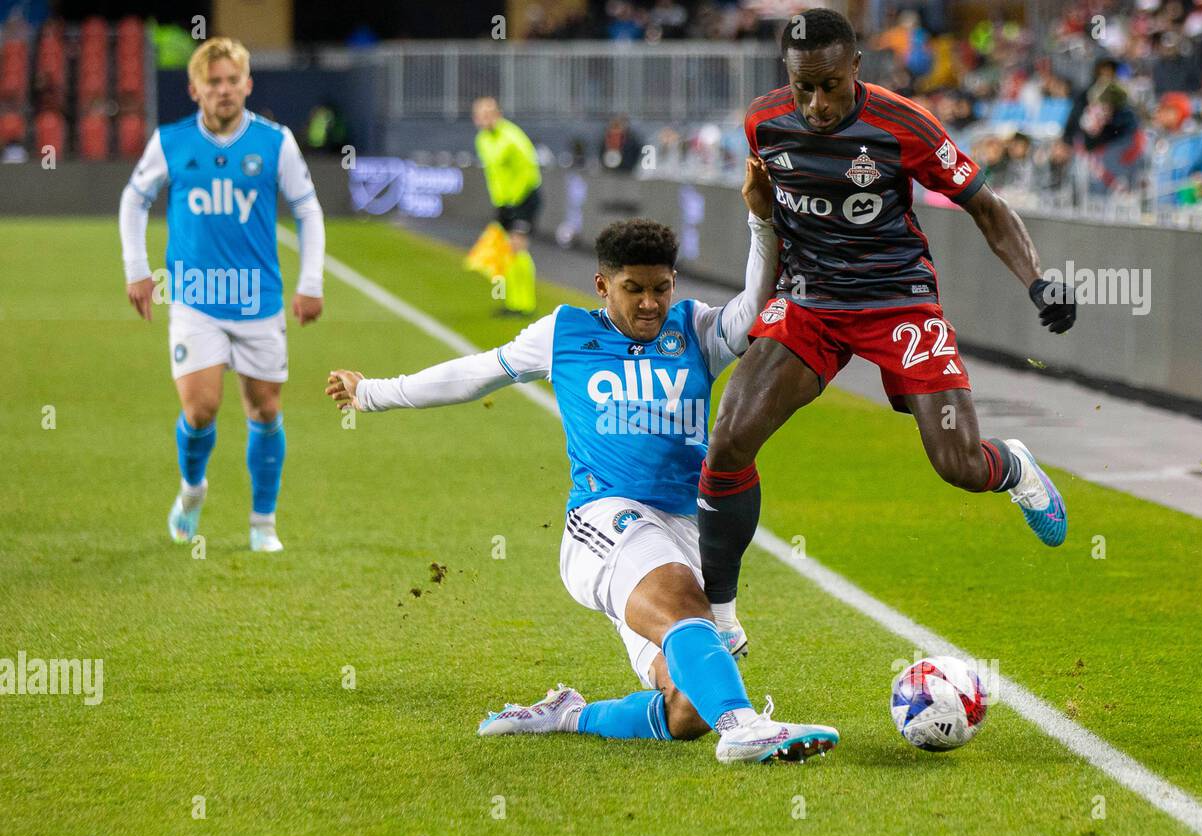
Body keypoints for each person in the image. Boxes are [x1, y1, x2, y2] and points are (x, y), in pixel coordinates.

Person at [324, 160, 840, 764]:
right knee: (687, 611)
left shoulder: (695, 329)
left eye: (660, 288)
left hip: (683, 528)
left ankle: (569, 715)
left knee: (689, 708)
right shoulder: (564, 333)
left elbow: (755, 306)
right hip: (604, 520)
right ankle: (746, 728)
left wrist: (760, 218)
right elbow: (473, 373)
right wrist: (373, 392)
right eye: (633, 289)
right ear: (602, 286)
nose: (650, 304)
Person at [696, 8, 1074, 643]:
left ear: (856, 69)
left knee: (957, 464)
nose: (816, 104)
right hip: (811, 301)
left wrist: (1038, 281)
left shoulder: (904, 126)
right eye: (802, 87)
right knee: (728, 440)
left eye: (830, 86)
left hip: (899, 300)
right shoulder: (763, 123)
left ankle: (1014, 467)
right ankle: (722, 619)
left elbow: (986, 205)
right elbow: (767, 211)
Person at [119, 37, 325, 552]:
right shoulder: (171, 142)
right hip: (194, 299)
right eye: (214, 82)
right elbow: (133, 200)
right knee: (201, 409)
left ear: (248, 84)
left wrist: (311, 282)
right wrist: (137, 269)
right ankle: (192, 490)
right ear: (194, 89)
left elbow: (308, 209)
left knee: (265, 410)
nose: (225, 90)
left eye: (234, 80)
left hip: (259, 300)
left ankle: (262, 524)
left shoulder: (275, 142)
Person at [472, 96, 541, 317]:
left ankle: (526, 304)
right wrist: (501, 202)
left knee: (517, 248)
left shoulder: (512, 138)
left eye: (489, 113)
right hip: (504, 202)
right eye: (481, 115)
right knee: (506, 251)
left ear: (498, 114)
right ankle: (513, 302)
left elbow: (529, 171)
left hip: (523, 199)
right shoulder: (482, 140)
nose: (485, 119)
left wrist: (515, 202)